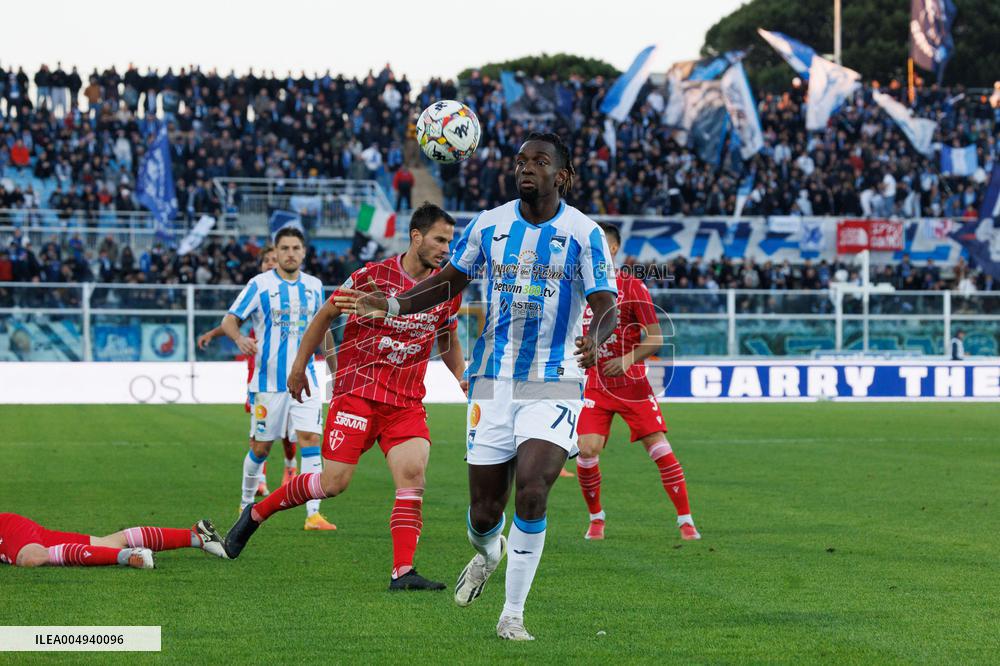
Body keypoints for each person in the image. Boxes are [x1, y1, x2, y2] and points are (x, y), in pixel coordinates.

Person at [337, 133, 618, 639]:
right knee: (485, 514)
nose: (526, 168)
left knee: (533, 488)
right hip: (491, 380)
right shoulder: (490, 225)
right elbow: (447, 281)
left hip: (552, 378)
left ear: (564, 176)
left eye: (540, 161)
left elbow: (606, 305)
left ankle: (512, 615)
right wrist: (394, 305)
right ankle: (488, 554)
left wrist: (596, 340)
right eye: (521, 161)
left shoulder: (585, 234)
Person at [222, 203, 466, 592]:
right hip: (358, 394)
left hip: (405, 402)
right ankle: (256, 514)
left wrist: (462, 375)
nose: (446, 248)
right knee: (334, 483)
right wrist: (300, 366)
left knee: (413, 476)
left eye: (450, 241)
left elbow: (447, 334)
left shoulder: (446, 285)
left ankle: (402, 572)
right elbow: (323, 316)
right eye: (440, 239)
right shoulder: (373, 277)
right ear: (416, 236)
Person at [575, 223, 700, 542]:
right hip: (595, 385)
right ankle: (596, 519)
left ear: (613, 249)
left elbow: (655, 339)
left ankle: (685, 521)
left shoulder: (632, 287)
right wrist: (583, 353)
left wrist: (628, 359)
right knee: (587, 449)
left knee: (659, 450)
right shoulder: (578, 287)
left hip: (632, 385)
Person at [219, 227, 335, 531]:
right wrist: (239, 338)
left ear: (304, 252)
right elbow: (229, 320)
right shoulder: (259, 285)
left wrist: (335, 370)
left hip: (307, 379)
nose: (290, 253)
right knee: (261, 447)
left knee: (311, 439)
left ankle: (313, 513)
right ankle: (246, 503)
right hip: (270, 382)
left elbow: (322, 330)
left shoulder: (314, 286)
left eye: (296, 247)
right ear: (277, 251)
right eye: (285, 248)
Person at [197, 245, 307, 499]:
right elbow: (234, 319)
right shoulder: (257, 289)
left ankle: (291, 466)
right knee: (259, 428)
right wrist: (214, 333)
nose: (270, 264)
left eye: (273, 259)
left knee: (289, 429)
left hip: (290, 370)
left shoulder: (294, 292)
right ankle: (260, 479)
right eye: (266, 260)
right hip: (259, 372)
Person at [0, 512, 225, 568]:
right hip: (16, 527)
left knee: (32, 558)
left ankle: (129, 556)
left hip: (7, 529)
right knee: (106, 543)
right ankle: (197, 536)